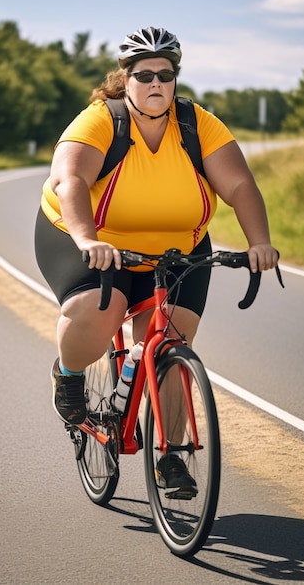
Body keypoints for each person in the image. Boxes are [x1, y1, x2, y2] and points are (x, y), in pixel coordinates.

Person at [34, 27, 278, 498]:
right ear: (125, 78)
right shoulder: (100, 121)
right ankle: (68, 374)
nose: (155, 83)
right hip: (88, 237)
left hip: (178, 247)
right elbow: (70, 182)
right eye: (143, 74)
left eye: (165, 74)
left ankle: (171, 456)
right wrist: (88, 238)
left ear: (175, 79)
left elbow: (241, 186)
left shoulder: (197, 124)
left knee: (168, 341)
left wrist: (259, 242)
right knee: (99, 310)